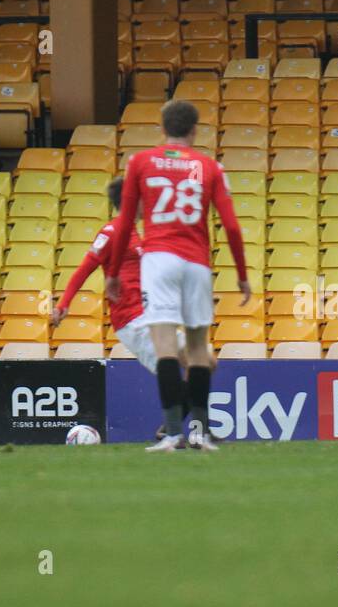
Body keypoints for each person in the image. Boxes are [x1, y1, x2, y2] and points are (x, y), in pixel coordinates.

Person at [104, 100, 249, 452]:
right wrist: (242, 274)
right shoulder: (210, 166)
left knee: (166, 345)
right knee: (198, 349)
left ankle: (172, 433)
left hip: (158, 260)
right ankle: (199, 431)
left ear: (162, 128)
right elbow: (230, 225)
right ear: (195, 130)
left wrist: (111, 274)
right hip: (197, 261)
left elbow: (124, 222)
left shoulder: (140, 162)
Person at [50, 176, 203, 435]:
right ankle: (181, 431)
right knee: (174, 377)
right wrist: (64, 303)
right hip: (133, 321)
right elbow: (84, 269)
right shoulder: (111, 232)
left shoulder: (138, 235)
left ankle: (172, 429)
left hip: (152, 315)